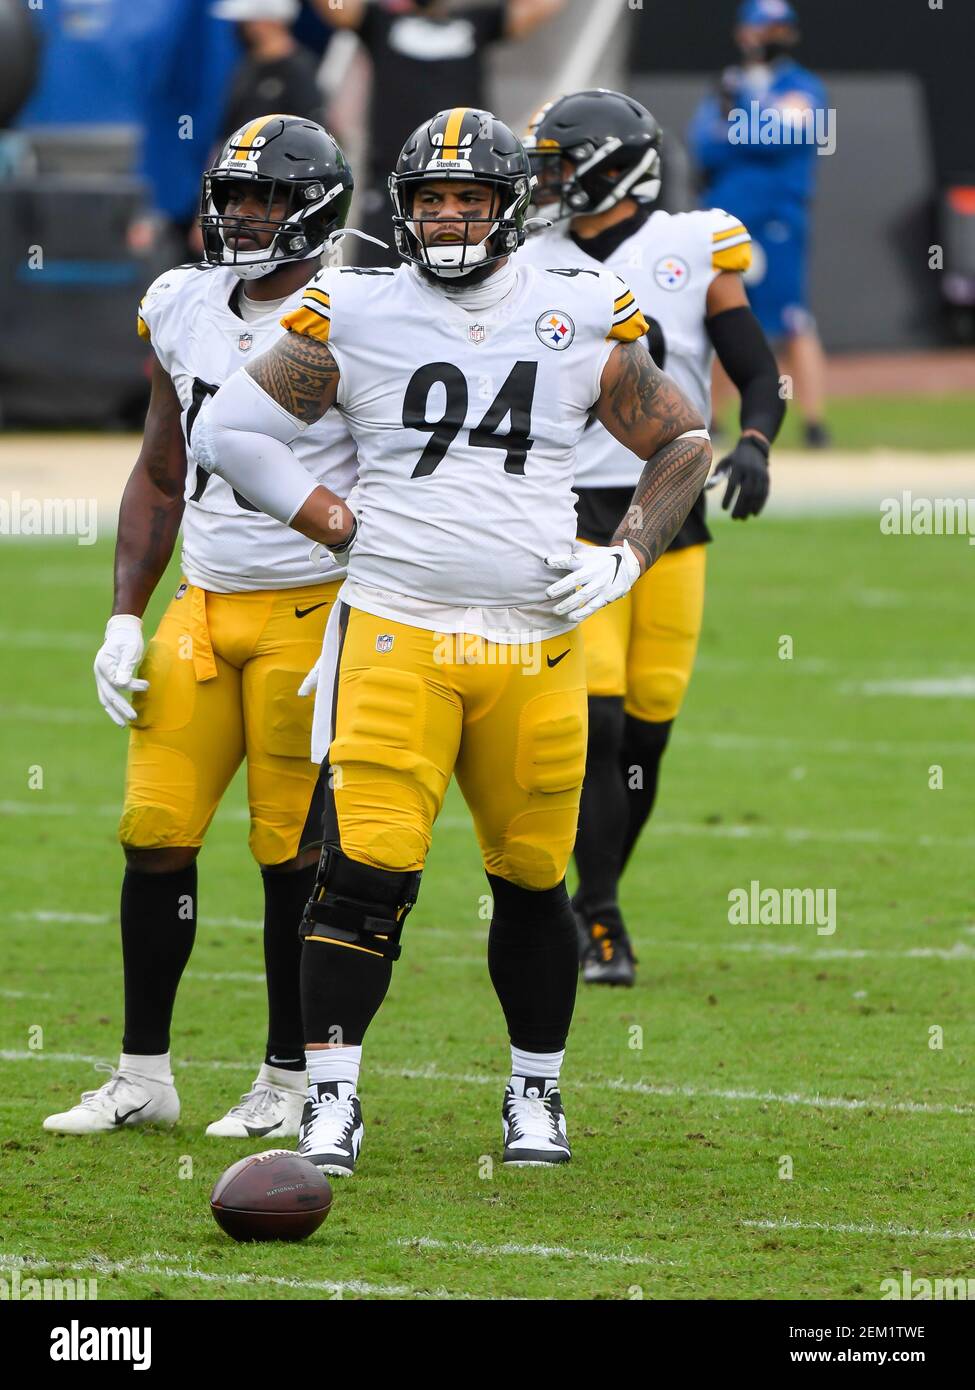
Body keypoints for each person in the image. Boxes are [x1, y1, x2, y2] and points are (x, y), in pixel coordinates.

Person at [196, 106, 712, 1172]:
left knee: (533, 877)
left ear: (508, 205)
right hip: (397, 632)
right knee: (363, 872)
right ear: (404, 207)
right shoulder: (359, 305)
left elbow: (683, 438)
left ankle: (537, 1092)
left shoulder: (574, 306)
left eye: (468, 197)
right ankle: (331, 1101)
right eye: (430, 199)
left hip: (534, 644)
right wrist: (329, 518)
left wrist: (623, 555)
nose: (447, 216)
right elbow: (230, 431)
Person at [43, 116, 359, 1141]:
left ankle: (288, 1074)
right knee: (154, 834)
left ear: (314, 208)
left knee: (289, 856)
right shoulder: (180, 302)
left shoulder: (356, 311)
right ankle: (144, 1072)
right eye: (233, 196)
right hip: (204, 605)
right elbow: (161, 469)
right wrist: (125, 616)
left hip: (312, 604)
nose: (244, 216)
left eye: (267, 198)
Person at [522, 89, 785, 986]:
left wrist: (753, 441)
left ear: (614, 165)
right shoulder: (526, 254)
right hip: (566, 508)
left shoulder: (691, 242)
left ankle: (593, 898)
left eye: (561, 161)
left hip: (671, 503)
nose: (546, 179)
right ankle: (599, 918)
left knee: (647, 734)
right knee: (593, 725)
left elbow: (754, 363)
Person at [317, 0, 567, 263]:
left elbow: (540, 8)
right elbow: (335, 7)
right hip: (393, 185)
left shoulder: (477, 23)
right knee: (379, 284)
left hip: (469, 187)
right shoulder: (379, 22)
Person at [688, 0, 830, 447]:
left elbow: (789, 135)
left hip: (777, 219)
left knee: (792, 321)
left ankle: (814, 424)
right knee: (718, 315)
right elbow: (703, 146)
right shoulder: (727, 84)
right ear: (744, 32)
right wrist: (746, 125)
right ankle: (714, 420)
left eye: (779, 28)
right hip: (726, 220)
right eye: (764, 27)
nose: (771, 36)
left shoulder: (802, 86)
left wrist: (740, 119)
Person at [214, 0, 325, 141]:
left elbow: (310, 130)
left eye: (249, 22)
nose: (243, 28)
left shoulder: (300, 69)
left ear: (270, 22)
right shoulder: (247, 66)